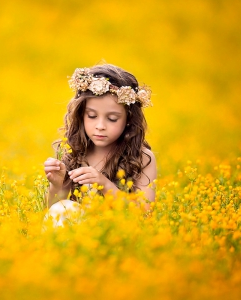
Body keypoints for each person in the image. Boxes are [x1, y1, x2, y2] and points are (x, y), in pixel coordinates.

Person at [43, 64, 157, 226]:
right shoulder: (73, 151)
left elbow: (144, 216)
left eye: (112, 118)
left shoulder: (142, 158)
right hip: (78, 239)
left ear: (129, 119)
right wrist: (56, 184)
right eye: (92, 116)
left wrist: (105, 185)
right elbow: (51, 212)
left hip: (120, 236)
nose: (100, 126)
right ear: (81, 115)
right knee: (64, 209)